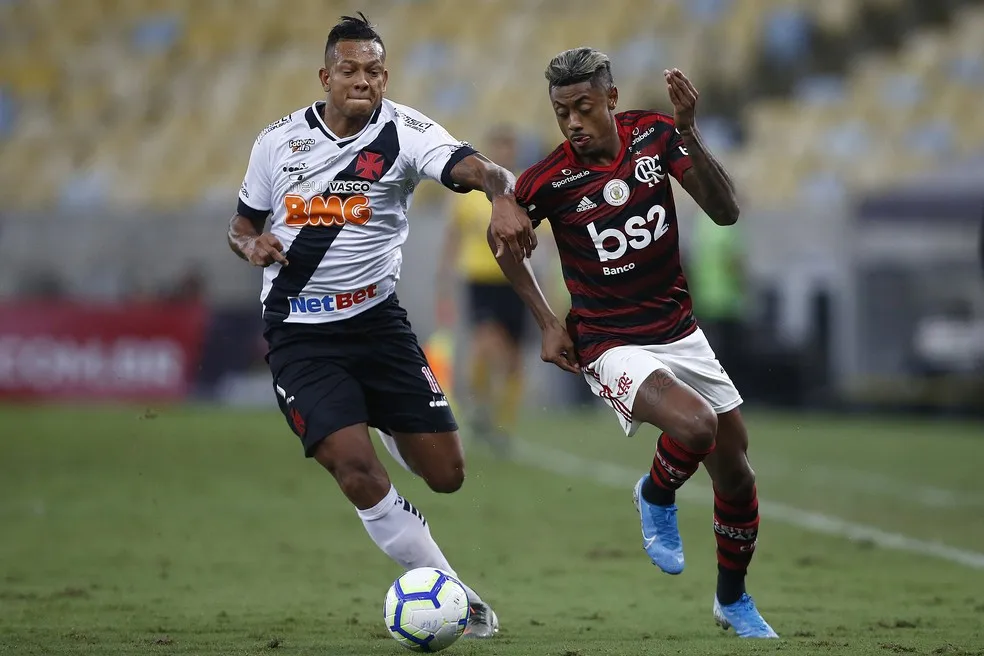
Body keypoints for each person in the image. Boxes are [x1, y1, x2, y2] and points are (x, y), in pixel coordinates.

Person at [226, 13, 535, 640]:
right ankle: (457, 597)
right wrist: (252, 246)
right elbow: (241, 225)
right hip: (300, 333)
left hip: (378, 326)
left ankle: (384, 416)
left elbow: (474, 166)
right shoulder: (276, 143)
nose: (361, 81)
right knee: (357, 470)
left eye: (373, 71)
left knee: (447, 475)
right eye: (349, 71)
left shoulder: (405, 131)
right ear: (325, 76)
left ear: (384, 75)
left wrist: (500, 192)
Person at [491, 47, 778, 638]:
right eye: (561, 111)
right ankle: (654, 493)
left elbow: (724, 213)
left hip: (679, 332)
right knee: (696, 427)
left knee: (738, 475)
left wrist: (691, 131)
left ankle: (733, 601)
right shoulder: (546, 180)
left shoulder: (654, 135)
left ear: (611, 100)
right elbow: (505, 244)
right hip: (607, 340)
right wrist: (548, 321)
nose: (572, 121)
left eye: (583, 106)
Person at [436, 125, 528, 455]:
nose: (504, 155)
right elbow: (452, 237)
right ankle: (479, 407)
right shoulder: (471, 196)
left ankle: (503, 426)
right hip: (480, 280)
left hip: (516, 281)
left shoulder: (523, 191)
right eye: (498, 148)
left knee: (514, 360)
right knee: (486, 345)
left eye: (509, 149)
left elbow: (540, 245)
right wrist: (444, 281)